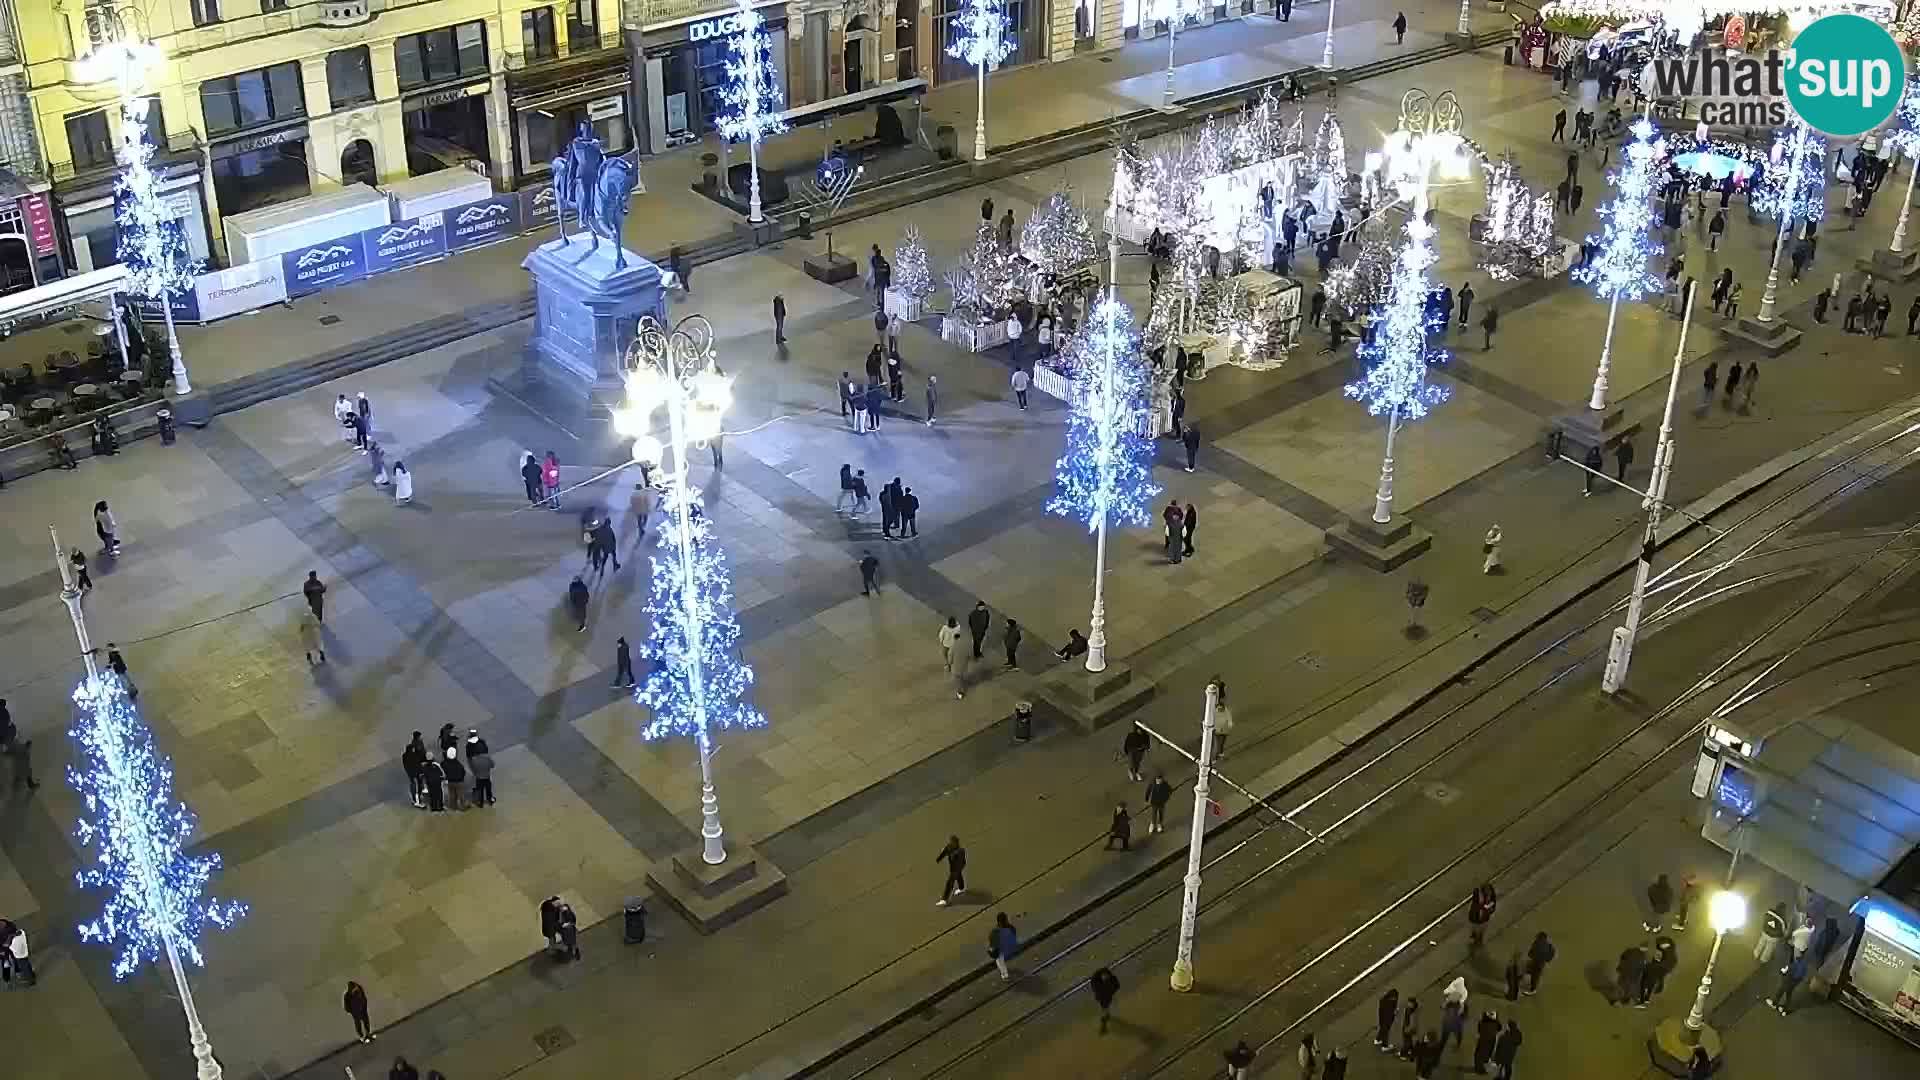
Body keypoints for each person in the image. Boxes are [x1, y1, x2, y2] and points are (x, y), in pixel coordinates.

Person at [936, 835, 967, 905]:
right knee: (959, 876)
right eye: (951, 842)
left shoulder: (960, 851)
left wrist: (956, 871)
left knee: (949, 883)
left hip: (958, 867)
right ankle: (961, 888)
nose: (951, 843)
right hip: (953, 867)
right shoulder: (949, 847)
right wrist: (938, 859)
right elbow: (944, 852)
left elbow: (961, 861)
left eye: (953, 842)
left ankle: (944, 899)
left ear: (956, 843)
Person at [987, 911, 1018, 980]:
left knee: (999, 960)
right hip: (1008, 947)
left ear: (998, 921)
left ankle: (1004, 974)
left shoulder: (996, 931)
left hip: (1000, 949)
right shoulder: (1010, 927)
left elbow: (992, 941)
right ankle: (1005, 974)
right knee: (1000, 959)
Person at [1440, 975, 1469, 1048]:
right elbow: (1443, 1007)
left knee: (1457, 1035)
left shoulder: (1462, 1005)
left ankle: (1457, 1044)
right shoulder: (1450, 1002)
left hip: (1455, 1025)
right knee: (1445, 1036)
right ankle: (1442, 1045)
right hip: (1449, 1024)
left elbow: (1463, 1015)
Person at [1090, 966, 1120, 1032]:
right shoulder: (1110, 980)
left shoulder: (1098, 981)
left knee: (1104, 1007)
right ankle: (1105, 1017)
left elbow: (1116, 986)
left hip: (1105, 996)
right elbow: (1117, 986)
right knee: (1104, 1007)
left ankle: (1105, 1019)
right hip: (1105, 996)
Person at [1468, 883, 1498, 947]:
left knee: (1482, 928)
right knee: (1475, 927)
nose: (1488, 893)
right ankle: (1475, 936)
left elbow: (1493, 904)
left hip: (1484, 917)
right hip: (1476, 917)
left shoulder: (1491, 897)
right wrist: (1484, 906)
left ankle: (1479, 937)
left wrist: (1490, 909)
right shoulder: (1478, 895)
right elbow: (1475, 905)